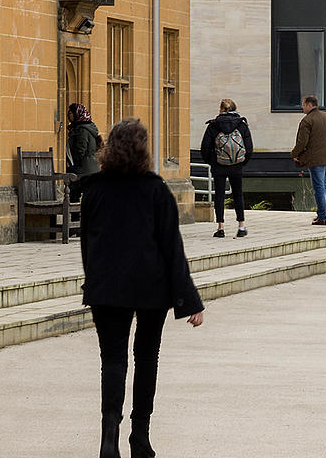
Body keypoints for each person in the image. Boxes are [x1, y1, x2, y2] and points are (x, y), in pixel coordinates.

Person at [79, 118, 204, 458]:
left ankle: (109, 439)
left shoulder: (95, 190)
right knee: (146, 357)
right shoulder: (155, 190)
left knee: (113, 360)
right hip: (151, 287)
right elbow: (171, 247)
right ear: (143, 150)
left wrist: (93, 282)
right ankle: (140, 436)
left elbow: (87, 244)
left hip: (107, 288)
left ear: (110, 148)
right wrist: (190, 300)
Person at [198, 98, 254, 238]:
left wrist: (212, 161)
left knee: (220, 195)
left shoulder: (213, 126)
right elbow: (249, 148)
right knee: (238, 194)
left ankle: (221, 227)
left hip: (219, 165)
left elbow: (205, 148)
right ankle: (241, 226)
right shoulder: (241, 125)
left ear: (222, 109)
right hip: (237, 165)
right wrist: (241, 162)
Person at [290, 94, 326, 225]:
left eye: (303, 104)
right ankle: (322, 214)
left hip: (316, 160)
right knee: (323, 185)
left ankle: (322, 217)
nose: (302, 107)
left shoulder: (307, 121)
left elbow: (302, 142)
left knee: (319, 187)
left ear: (309, 105)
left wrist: (294, 154)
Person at [66, 103, 101, 201]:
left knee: (74, 193)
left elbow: (80, 150)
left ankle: (76, 216)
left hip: (84, 170)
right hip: (91, 168)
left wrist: (74, 166)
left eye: (71, 113)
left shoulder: (82, 130)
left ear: (78, 114)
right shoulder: (87, 127)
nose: (69, 115)